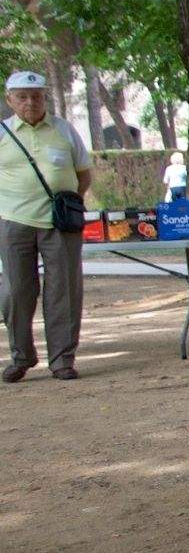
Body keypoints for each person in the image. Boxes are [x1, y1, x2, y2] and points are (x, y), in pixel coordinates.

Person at [1, 70, 92, 382]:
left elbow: (84, 174)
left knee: (64, 291)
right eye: (23, 97)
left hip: (59, 224)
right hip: (15, 223)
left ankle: (62, 360)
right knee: (15, 291)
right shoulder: (2, 133)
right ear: (9, 100)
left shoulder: (64, 130)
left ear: (45, 98)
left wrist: (66, 204)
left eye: (37, 96)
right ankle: (21, 357)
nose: (31, 102)